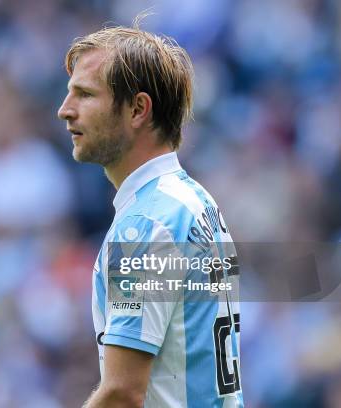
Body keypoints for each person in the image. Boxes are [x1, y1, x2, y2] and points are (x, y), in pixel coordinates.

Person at [57, 24, 243, 407]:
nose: (65, 110)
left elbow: (123, 392)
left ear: (138, 109)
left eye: (85, 94)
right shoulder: (194, 201)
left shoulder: (146, 226)